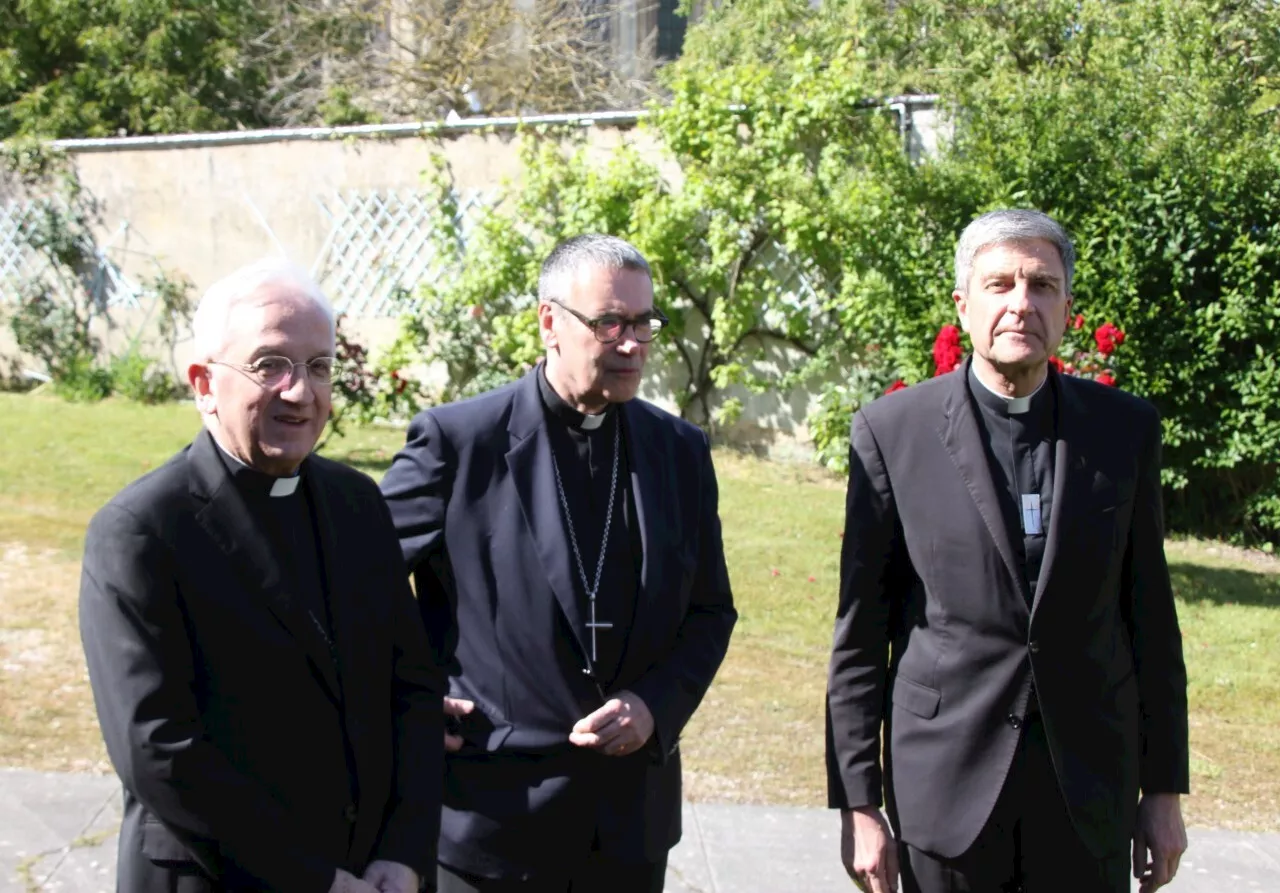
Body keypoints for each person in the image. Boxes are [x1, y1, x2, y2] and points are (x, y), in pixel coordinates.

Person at [825, 209, 1190, 893]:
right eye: (1000, 284)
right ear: (964, 305)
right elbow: (860, 634)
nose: (1021, 303)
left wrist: (1164, 789)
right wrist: (858, 803)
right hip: (945, 789)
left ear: (1067, 307)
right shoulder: (891, 433)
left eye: (1042, 285)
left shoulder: (1123, 431)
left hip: (1088, 789)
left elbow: (1151, 622)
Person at [380, 233, 737, 892]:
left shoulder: (679, 451)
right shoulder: (459, 443)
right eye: (610, 322)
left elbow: (711, 609)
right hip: (491, 823)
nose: (632, 343)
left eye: (643, 323)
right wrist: (408, 699)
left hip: (631, 826)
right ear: (550, 322)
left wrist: (655, 704)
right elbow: (351, 584)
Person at [79, 259, 445, 893]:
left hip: (372, 873)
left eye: (319, 367)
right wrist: (316, 880)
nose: (301, 392)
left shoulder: (357, 503)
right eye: (270, 365)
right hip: (219, 875)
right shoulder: (142, 531)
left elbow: (410, 687)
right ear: (203, 384)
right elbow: (158, 749)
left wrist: (405, 850)